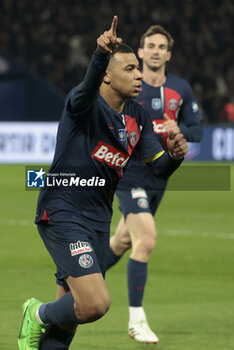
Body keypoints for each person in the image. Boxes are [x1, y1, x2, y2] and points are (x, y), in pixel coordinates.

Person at [18, 17, 188, 350]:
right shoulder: (83, 106)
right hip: (63, 212)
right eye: (129, 69)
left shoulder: (137, 117)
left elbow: (157, 170)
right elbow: (86, 87)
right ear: (107, 75)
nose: (139, 75)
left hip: (98, 220)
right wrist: (99, 54)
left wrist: (176, 156)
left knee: (72, 316)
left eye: (139, 69)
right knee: (96, 305)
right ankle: (36, 313)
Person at [106, 25, 203, 344]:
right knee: (145, 238)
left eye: (162, 46)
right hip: (129, 172)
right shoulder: (131, 86)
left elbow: (197, 129)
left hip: (160, 174)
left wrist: (181, 131)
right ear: (143, 52)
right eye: (150, 46)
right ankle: (136, 319)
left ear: (169, 54)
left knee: (122, 241)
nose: (156, 50)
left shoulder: (180, 88)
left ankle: (73, 278)